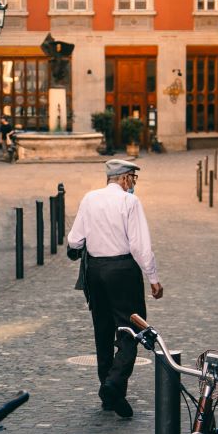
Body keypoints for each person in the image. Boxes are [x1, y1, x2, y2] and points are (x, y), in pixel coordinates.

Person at [66, 159, 162, 419]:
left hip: (95, 272)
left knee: (103, 330)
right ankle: (114, 384)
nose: (133, 183)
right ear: (125, 178)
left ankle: (108, 394)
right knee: (131, 330)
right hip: (123, 271)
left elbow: (74, 239)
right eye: (133, 178)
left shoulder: (89, 199)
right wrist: (153, 278)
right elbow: (140, 245)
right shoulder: (130, 203)